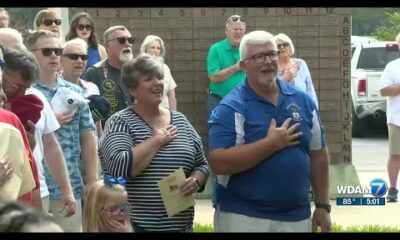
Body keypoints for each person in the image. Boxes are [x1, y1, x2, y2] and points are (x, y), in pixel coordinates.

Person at [208, 30, 331, 232]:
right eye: (258, 56)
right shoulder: (231, 107)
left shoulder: (303, 101)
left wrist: (322, 206)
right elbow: (219, 162)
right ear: (244, 65)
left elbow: (318, 154)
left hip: (297, 216)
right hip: (243, 215)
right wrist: (270, 144)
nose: (268, 61)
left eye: (272, 54)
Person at [98, 53, 209, 232]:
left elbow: (202, 164)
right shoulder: (120, 122)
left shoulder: (180, 120)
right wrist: (156, 140)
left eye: (160, 77)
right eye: (149, 79)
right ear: (133, 90)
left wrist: (195, 181)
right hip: (136, 225)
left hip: (181, 226)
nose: (158, 83)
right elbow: (118, 168)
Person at [26, 30, 97, 232]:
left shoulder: (75, 92)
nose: (54, 56)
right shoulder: (25, 92)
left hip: (71, 185)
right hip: (36, 187)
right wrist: (48, 120)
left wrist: (92, 179)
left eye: (58, 50)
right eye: (47, 51)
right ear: (32, 55)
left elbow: (89, 136)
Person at [0, 46, 76, 218]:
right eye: (16, 86)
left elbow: (50, 145)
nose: (21, 93)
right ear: (2, 72)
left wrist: (67, 190)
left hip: (35, 188)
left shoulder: (34, 100)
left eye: (25, 88)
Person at [83, 25, 134, 122]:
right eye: (121, 40)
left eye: (130, 40)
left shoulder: (139, 71)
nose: (127, 44)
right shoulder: (94, 73)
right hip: (107, 132)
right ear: (107, 46)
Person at [206, 14, 246, 117]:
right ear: (227, 31)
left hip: (243, 100)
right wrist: (236, 68)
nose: (238, 32)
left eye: (241, 29)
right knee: (217, 131)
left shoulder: (247, 49)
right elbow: (213, 77)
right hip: (218, 101)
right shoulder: (215, 49)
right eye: (235, 29)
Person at [379, 32, 400, 203]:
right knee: (395, 155)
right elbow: (384, 90)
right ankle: (392, 188)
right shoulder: (392, 67)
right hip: (397, 119)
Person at [274, 33, 319, 108]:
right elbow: (268, 93)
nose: (282, 47)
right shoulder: (271, 67)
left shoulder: (301, 64)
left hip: (303, 110)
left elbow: (310, 89)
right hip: (281, 113)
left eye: (285, 44)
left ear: (290, 47)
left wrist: (314, 109)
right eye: (278, 46)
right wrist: (283, 80)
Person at [140, 35, 177, 110]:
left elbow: (171, 94)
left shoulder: (165, 68)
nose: (156, 50)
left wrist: (174, 116)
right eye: (152, 47)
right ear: (145, 49)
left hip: (165, 113)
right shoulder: (138, 67)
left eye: (158, 48)